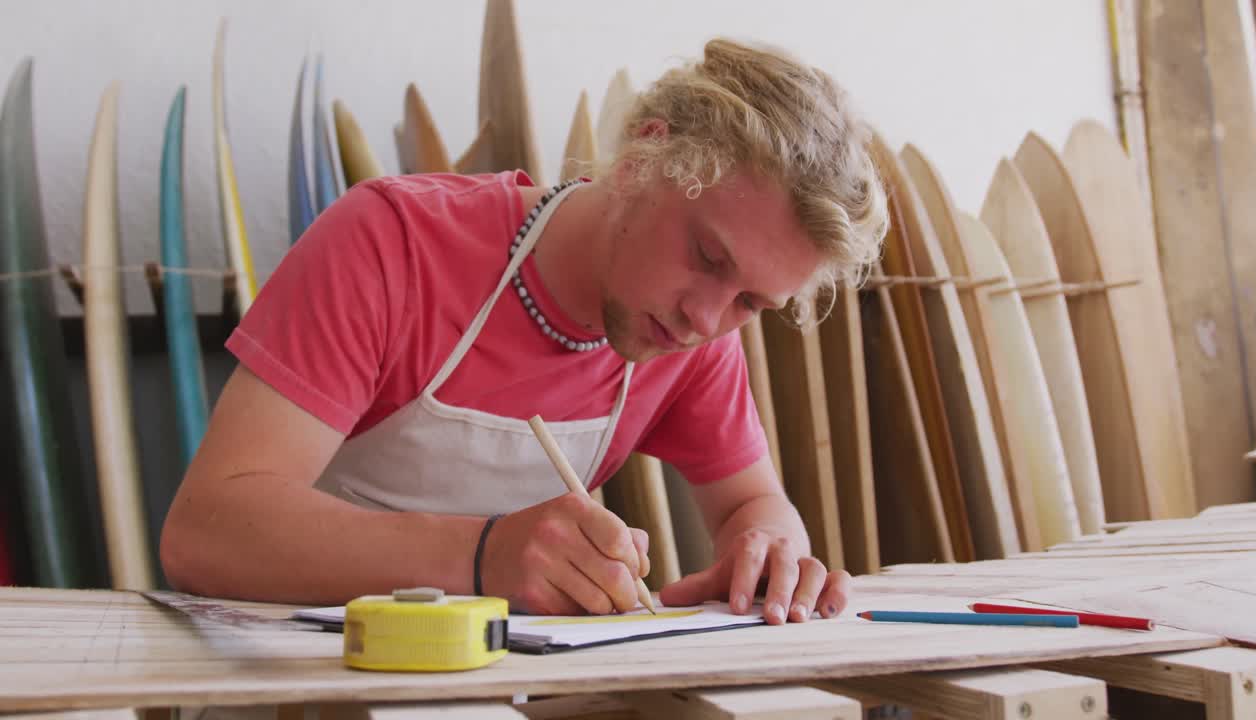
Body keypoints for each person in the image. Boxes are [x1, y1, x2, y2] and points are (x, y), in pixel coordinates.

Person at [159, 37, 887, 627]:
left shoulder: (692, 333)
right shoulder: (393, 244)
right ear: (642, 156)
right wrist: (480, 557)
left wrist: (770, 555)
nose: (707, 319)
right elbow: (207, 531)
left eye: (751, 302)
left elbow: (749, 506)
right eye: (706, 255)